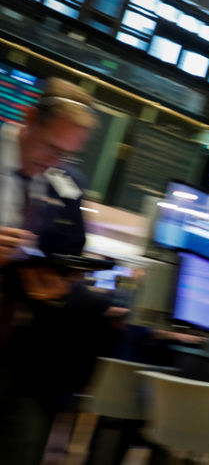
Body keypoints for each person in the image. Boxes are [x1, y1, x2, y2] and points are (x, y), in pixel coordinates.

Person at [0, 77, 99, 465]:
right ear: (28, 119)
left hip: (25, 360)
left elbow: (69, 253)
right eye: (51, 148)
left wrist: (61, 282)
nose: (55, 163)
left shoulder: (63, 187)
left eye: (67, 156)